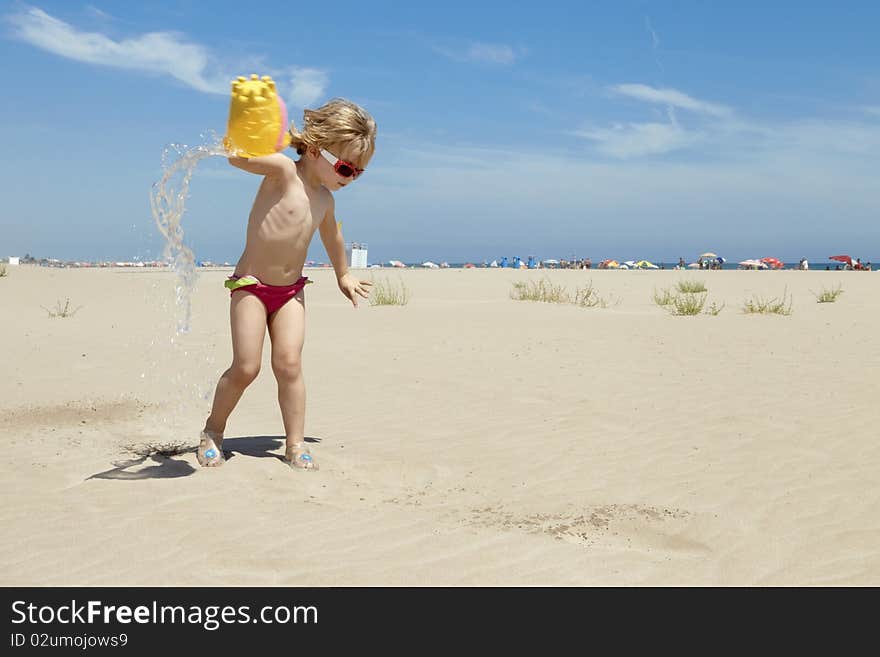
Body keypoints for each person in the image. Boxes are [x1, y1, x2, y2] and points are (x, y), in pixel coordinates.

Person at [198, 98, 377, 471]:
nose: (350, 178)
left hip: (291, 291)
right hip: (251, 285)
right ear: (314, 150)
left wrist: (343, 273)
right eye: (345, 167)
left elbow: (333, 239)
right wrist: (243, 133)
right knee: (247, 367)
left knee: (289, 364)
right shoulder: (282, 171)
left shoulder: (325, 200)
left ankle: (294, 443)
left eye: (358, 173)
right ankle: (214, 430)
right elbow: (239, 159)